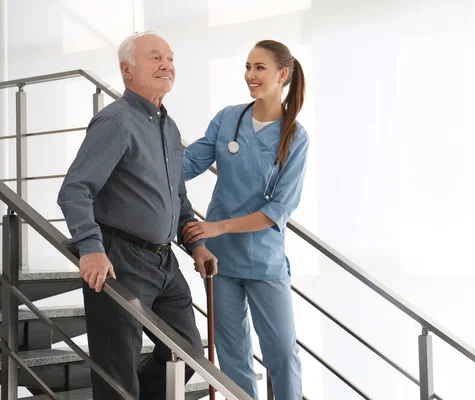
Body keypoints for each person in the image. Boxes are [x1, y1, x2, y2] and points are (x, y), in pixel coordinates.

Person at [57, 31, 217, 400]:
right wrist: (91, 248)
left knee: (187, 350)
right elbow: (75, 189)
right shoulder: (115, 121)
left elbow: (177, 194)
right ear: (127, 70)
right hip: (120, 258)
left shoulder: (168, 125)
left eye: (171, 57)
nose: (167, 64)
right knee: (117, 368)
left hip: (164, 261)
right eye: (155, 57)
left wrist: (197, 245)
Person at [182, 39, 309, 399]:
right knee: (233, 354)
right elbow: (189, 164)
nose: (250, 76)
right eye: (248, 67)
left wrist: (216, 226)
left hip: (263, 258)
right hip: (220, 259)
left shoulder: (296, 137)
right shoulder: (228, 118)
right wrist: (142, 168)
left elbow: (278, 210)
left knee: (282, 354)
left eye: (259, 68)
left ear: (282, 75)